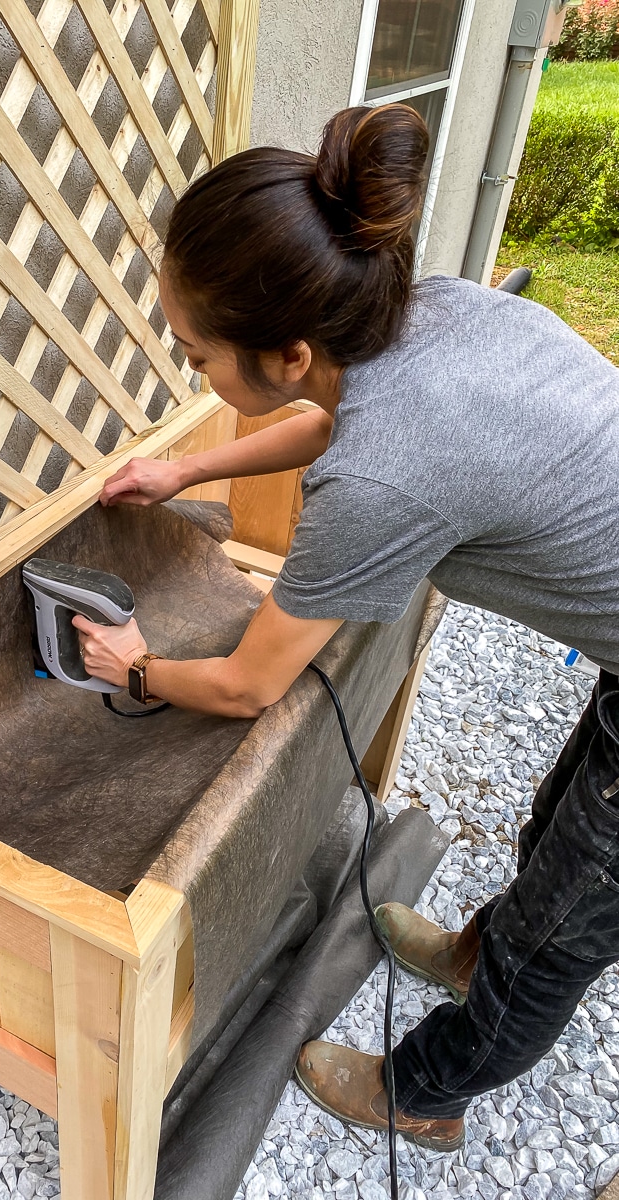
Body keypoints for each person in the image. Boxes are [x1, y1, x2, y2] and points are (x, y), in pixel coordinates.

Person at [72, 103, 619, 1152]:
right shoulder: (435, 307)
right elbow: (340, 413)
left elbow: (246, 685)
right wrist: (185, 467)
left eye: (196, 357)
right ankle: (471, 955)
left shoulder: (380, 481)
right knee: (566, 815)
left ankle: (425, 1093)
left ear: (284, 350)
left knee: (569, 921)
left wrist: (136, 673)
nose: (192, 372)